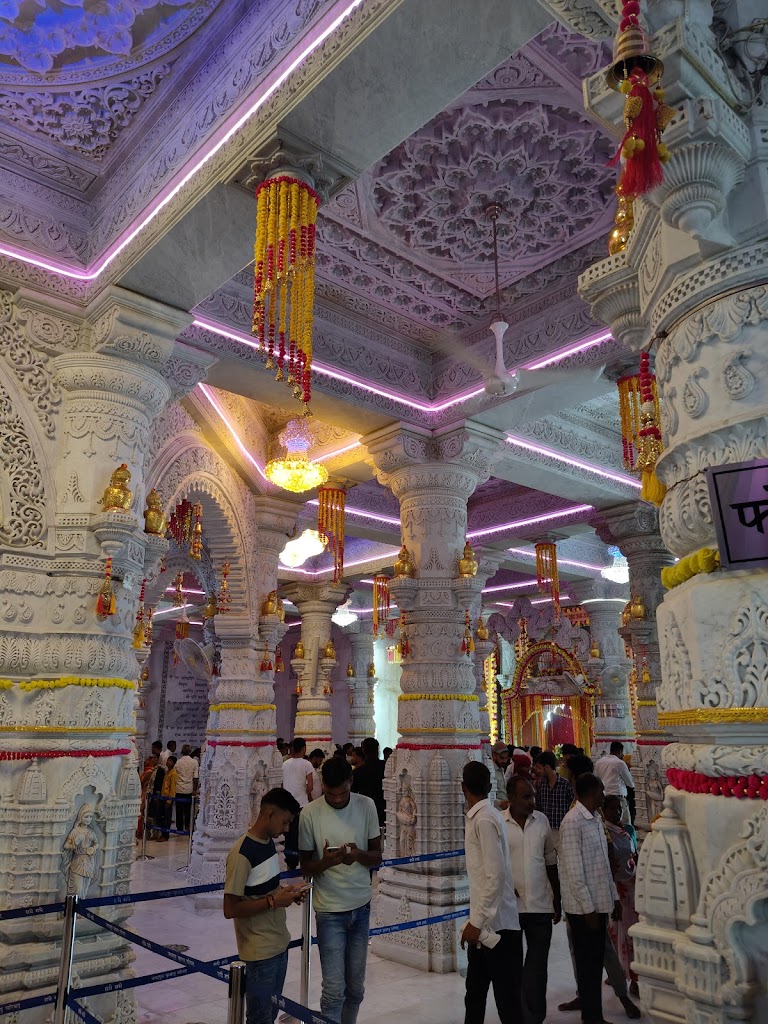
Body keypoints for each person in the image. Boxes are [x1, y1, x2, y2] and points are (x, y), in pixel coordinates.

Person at [299, 755, 382, 1024]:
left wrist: (357, 854)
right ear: (322, 785)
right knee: (334, 992)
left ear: (351, 782)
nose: (336, 800)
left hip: (360, 907)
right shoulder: (310, 813)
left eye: (343, 793)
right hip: (329, 911)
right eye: (330, 794)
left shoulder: (366, 805)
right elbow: (306, 867)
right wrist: (326, 862)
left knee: (355, 990)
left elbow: (377, 856)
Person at [223, 787, 308, 1024]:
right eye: (285, 822)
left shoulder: (268, 844)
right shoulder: (242, 853)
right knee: (260, 1018)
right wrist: (273, 901)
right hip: (259, 951)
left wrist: (285, 894)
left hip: (278, 942)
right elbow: (230, 909)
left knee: (269, 1015)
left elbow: (264, 891)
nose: (286, 829)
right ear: (269, 814)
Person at [461, 761, 522, 1024]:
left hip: (497, 927)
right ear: (489, 786)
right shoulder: (485, 815)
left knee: (507, 1002)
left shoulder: (485, 819)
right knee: (474, 995)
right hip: (485, 926)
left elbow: (495, 876)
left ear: (463, 788)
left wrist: (476, 922)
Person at [559, 773, 621, 1024]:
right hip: (584, 910)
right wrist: (588, 909)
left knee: (595, 964)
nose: (603, 795)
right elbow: (574, 871)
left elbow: (603, 865)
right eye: (600, 791)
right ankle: (591, 1017)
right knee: (588, 966)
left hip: (599, 903)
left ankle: (594, 1015)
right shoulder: (572, 822)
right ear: (590, 794)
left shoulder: (595, 819)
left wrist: (613, 897)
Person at [504, 776, 560, 1024]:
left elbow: (550, 862)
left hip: (540, 905)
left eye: (533, 795)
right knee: (513, 969)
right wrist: (506, 885)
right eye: (526, 797)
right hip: (510, 909)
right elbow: (493, 863)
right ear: (511, 798)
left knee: (537, 968)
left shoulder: (542, 822)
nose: (532, 801)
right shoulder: (499, 824)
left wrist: (557, 897)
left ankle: (535, 1017)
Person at [604, 796, 640, 998]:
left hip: (630, 887)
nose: (616, 813)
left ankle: (634, 979)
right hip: (616, 889)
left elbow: (633, 856)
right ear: (604, 810)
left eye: (619, 808)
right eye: (611, 809)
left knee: (630, 934)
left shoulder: (626, 829)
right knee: (616, 934)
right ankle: (619, 974)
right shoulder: (605, 833)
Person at [282, 738, 314, 869]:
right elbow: (310, 787)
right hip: (302, 804)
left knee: (288, 835)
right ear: (304, 749)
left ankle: (290, 862)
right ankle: (302, 861)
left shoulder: (284, 764)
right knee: (302, 834)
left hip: (287, 805)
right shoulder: (307, 764)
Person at [532, 751, 573, 847]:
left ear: (546, 767)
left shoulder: (565, 785)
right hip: (545, 829)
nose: (537, 771)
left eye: (539, 768)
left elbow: (571, 807)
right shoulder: (541, 785)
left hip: (562, 830)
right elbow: (538, 807)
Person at [594, 743, 636, 824]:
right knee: (625, 825)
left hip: (604, 798)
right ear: (620, 751)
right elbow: (630, 783)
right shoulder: (620, 763)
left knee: (607, 824)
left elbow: (597, 779)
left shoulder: (599, 762)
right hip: (618, 798)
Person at [351, 736, 385, 826]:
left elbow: (353, 792)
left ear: (364, 751)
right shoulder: (385, 767)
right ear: (377, 749)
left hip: (365, 808)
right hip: (384, 807)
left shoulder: (358, 771)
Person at [175, 744, 199, 833]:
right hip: (189, 789)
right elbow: (195, 777)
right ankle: (188, 826)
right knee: (188, 809)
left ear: (182, 751)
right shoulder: (194, 762)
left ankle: (179, 827)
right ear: (190, 752)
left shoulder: (178, 762)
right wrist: (195, 790)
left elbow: (175, 775)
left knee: (179, 810)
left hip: (179, 788)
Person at [159, 755, 177, 840]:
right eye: (168, 760)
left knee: (167, 818)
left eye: (170, 761)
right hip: (163, 797)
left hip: (168, 799)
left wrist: (170, 800)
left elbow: (173, 788)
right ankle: (162, 834)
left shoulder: (173, 773)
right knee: (161, 816)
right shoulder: (167, 772)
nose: (167, 762)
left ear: (173, 763)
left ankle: (165, 836)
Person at [490, 740, 510, 810]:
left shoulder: (501, 769)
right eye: (501, 758)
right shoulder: (490, 770)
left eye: (506, 758)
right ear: (494, 755)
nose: (504, 761)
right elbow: (488, 795)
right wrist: (499, 803)